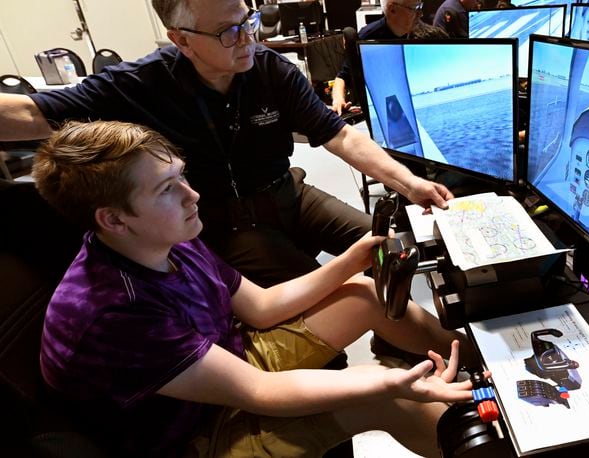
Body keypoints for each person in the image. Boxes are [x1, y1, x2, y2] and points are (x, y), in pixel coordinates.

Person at [32, 120, 480, 458]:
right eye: (168, 189)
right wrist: (383, 383)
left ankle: (487, 366)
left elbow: (262, 307)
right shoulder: (111, 313)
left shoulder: (162, 239)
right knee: (382, 398)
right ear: (113, 218)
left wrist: (350, 261)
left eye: (182, 177)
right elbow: (257, 393)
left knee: (363, 293)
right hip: (196, 434)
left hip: (223, 363)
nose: (193, 195)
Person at [0, 0, 452, 291]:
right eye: (227, 32)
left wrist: (410, 184)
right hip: (223, 223)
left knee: (391, 249)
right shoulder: (138, 84)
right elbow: (29, 114)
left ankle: (391, 343)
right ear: (181, 40)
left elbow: (340, 135)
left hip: (288, 193)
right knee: (325, 293)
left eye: (247, 22)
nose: (247, 39)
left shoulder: (271, 70)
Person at [331, 0, 428, 115]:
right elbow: (342, 77)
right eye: (414, 8)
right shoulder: (367, 38)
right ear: (392, 9)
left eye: (420, 7)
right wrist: (338, 100)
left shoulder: (424, 34)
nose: (420, 14)